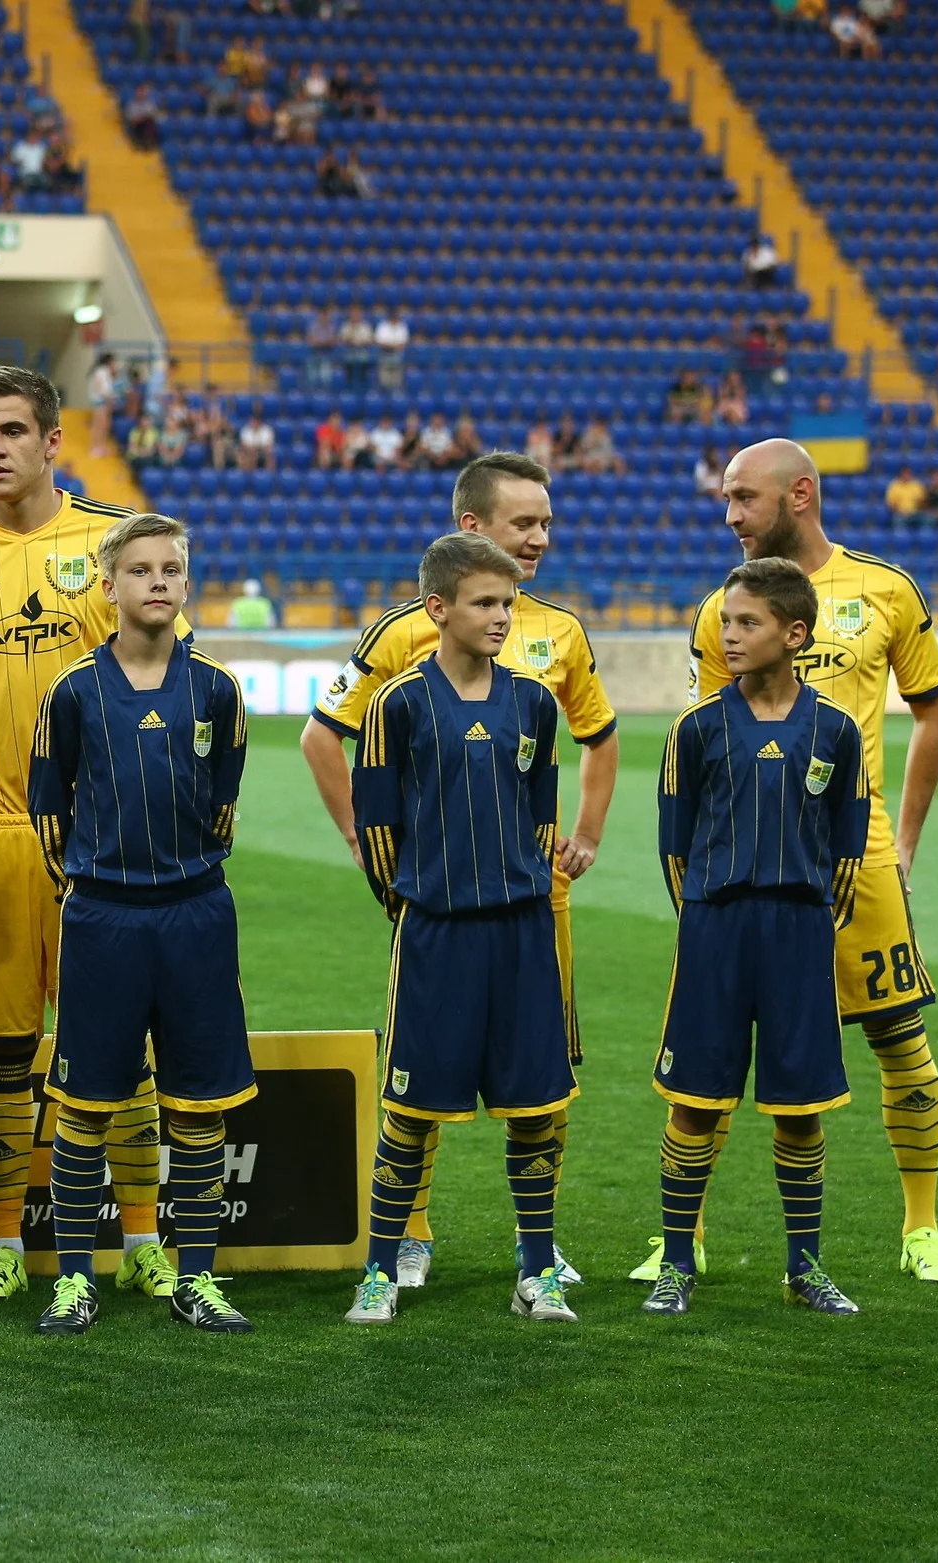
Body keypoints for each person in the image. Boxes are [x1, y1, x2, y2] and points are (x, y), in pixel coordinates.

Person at [302, 453, 615, 1291]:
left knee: (543, 1075)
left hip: (530, 898)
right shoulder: (402, 633)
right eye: (523, 523)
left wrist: (583, 834)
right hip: (436, 895)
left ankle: (536, 1243)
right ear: (472, 527)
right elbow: (321, 734)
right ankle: (409, 1235)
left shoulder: (559, 633)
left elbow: (594, 737)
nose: (539, 538)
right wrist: (371, 848)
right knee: (423, 1066)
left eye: (546, 522)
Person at [0, 365, 176, 1306]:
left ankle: (141, 1241)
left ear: (52, 440)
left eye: (12, 430)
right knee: (4, 1053)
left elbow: (163, 666)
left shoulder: (112, 542)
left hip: (104, 839)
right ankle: (1, 1247)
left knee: (120, 1049)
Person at [669, 437, 938, 1284]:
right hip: (745, 868)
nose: (730, 515)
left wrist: (901, 840)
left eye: (742, 498)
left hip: (853, 861)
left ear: (798, 494)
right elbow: (704, 742)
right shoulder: (722, 609)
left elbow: (932, 712)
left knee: (898, 1035)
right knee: (710, 1052)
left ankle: (921, 1228)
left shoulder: (885, 590)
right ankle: (681, 1240)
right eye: (726, 500)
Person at [26, 513, 255, 1338]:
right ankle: (72, 1280)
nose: (157, 581)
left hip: (196, 915)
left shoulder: (217, 689)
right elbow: (47, 812)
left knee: (196, 1106)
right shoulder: (72, 690)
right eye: (140, 569)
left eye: (170, 569)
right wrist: (97, 888)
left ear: (186, 582)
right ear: (108, 585)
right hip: (103, 917)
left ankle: (196, 1278)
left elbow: (221, 802)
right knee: (85, 1103)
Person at [342, 532, 575, 1327]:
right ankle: (379, 1271)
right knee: (409, 1112)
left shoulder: (533, 702)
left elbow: (540, 817)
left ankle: (536, 1272)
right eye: (483, 603)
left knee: (535, 1109)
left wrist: (515, 884)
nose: (501, 616)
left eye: (506, 602)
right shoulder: (396, 703)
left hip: (520, 933)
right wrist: (414, 902)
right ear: (437, 608)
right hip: (435, 933)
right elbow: (377, 827)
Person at [645, 558, 870, 1317]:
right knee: (694, 1102)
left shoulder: (835, 730)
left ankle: (804, 1267)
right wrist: (706, 918)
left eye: (748, 622)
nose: (729, 635)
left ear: (794, 633)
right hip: (715, 929)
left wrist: (808, 921)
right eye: (725, 622)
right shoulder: (695, 728)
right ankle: (677, 1262)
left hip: (800, 933)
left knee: (800, 1106)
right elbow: (674, 848)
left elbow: (846, 852)